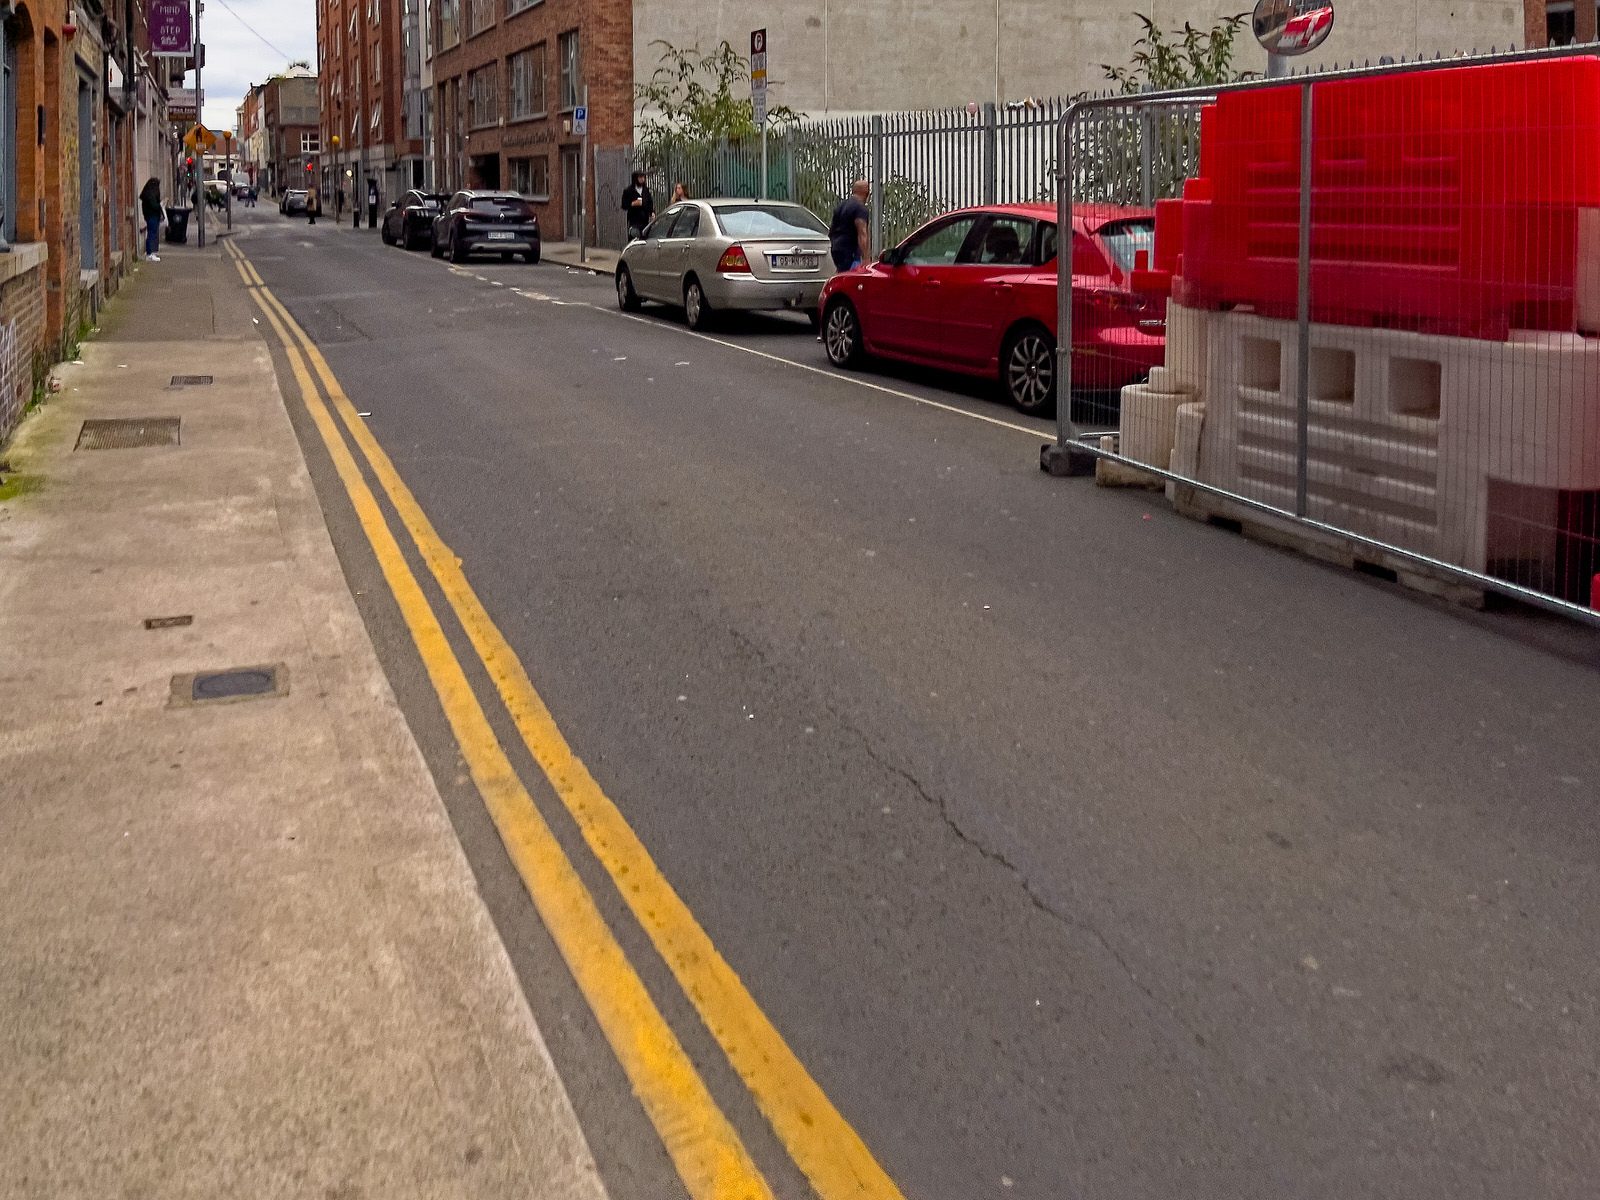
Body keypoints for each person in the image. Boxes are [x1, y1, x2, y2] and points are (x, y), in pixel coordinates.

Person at [829, 179, 872, 273]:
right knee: (852, 279)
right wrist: (866, 258)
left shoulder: (840, 206)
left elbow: (831, 230)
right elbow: (862, 233)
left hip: (836, 249)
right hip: (850, 252)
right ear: (867, 193)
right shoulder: (860, 209)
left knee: (842, 275)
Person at [622, 171, 655, 240]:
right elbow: (624, 205)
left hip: (645, 220)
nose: (642, 179)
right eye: (640, 177)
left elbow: (650, 203)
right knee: (634, 238)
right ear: (635, 178)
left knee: (644, 238)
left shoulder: (646, 190)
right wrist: (632, 203)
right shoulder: (628, 191)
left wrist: (652, 212)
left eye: (643, 177)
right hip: (634, 220)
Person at [139, 178, 163, 263]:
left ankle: (150, 253)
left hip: (149, 216)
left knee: (151, 233)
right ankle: (150, 253)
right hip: (152, 216)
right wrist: (159, 205)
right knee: (152, 234)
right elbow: (154, 205)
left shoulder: (147, 193)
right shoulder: (151, 194)